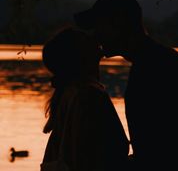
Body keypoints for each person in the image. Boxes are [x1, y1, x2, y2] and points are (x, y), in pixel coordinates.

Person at [74, 0, 178, 170]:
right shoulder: (156, 61)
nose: (95, 35)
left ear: (118, 22)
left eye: (99, 26)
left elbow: (161, 153)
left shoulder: (153, 68)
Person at [41, 28, 129, 171]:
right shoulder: (89, 95)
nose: (95, 39)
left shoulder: (70, 92)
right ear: (81, 55)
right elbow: (91, 159)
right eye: (87, 40)